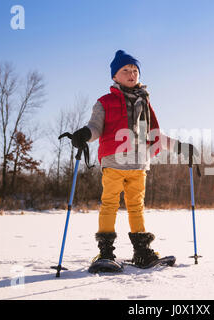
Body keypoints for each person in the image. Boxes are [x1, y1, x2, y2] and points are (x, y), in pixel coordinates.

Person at [71, 50, 198, 270]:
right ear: (114, 76)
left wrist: (180, 147)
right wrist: (84, 134)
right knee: (110, 204)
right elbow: (95, 128)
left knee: (136, 207)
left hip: (139, 165)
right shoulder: (105, 102)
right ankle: (105, 253)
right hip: (114, 163)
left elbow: (155, 135)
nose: (131, 74)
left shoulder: (145, 104)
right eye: (126, 70)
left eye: (135, 70)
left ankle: (141, 252)